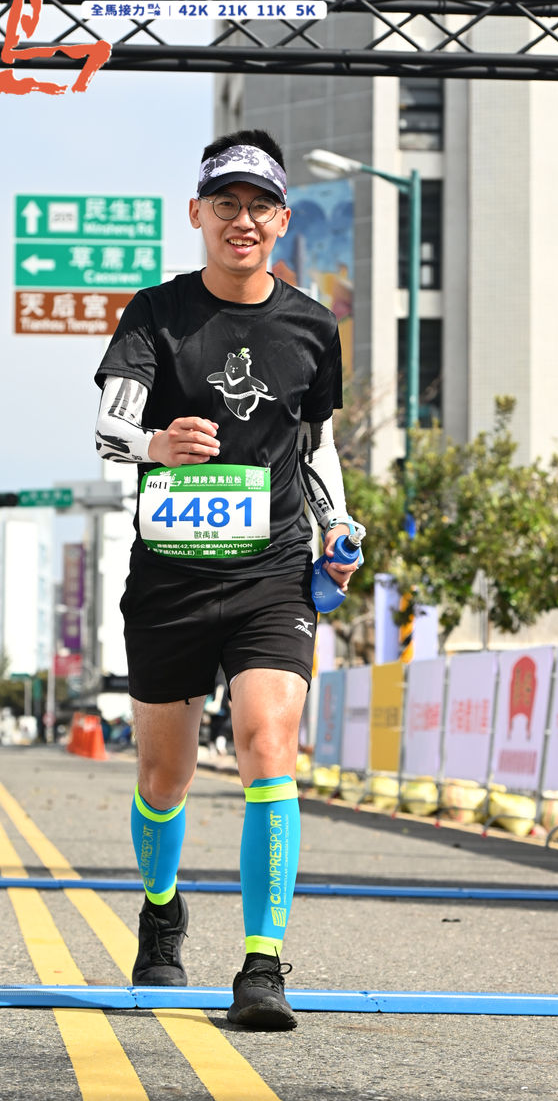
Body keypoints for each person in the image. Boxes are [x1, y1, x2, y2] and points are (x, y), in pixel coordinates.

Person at [94, 129, 362, 1031]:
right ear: (197, 215)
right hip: (169, 578)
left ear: (281, 222)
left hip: (272, 569)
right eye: (226, 205)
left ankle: (261, 963)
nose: (241, 221)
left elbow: (316, 447)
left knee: (265, 742)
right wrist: (156, 444)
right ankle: (161, 909)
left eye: (258, 207)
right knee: (163, 775)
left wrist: (337, 526)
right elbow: (107, 431)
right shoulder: (155, 315)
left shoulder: (312, 327)